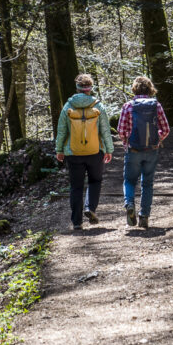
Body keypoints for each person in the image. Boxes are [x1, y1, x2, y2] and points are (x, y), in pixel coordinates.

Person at [54, 74, 114, 231]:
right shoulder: (98, 106)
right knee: (95, 181)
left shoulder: (68, 107)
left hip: (73, 153)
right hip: (95, 152)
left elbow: (61, 131)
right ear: (90, 89)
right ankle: (90, 208)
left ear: (77, 88)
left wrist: (59, 150)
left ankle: (76, 222)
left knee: (76, 187)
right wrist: (109, 149)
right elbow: (105, 130)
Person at [116, 76, 171, 229]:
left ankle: (129, 204)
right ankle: (144, 216)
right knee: (147, 183)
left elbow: (121, 131)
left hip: (133, 149)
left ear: (134, 88)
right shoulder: (156, 106)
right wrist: (157, 140)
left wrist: (126, 141)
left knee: (129, 180)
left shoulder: (128, 106)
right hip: (151, 150)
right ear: (150, 89)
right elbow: (166, 129)